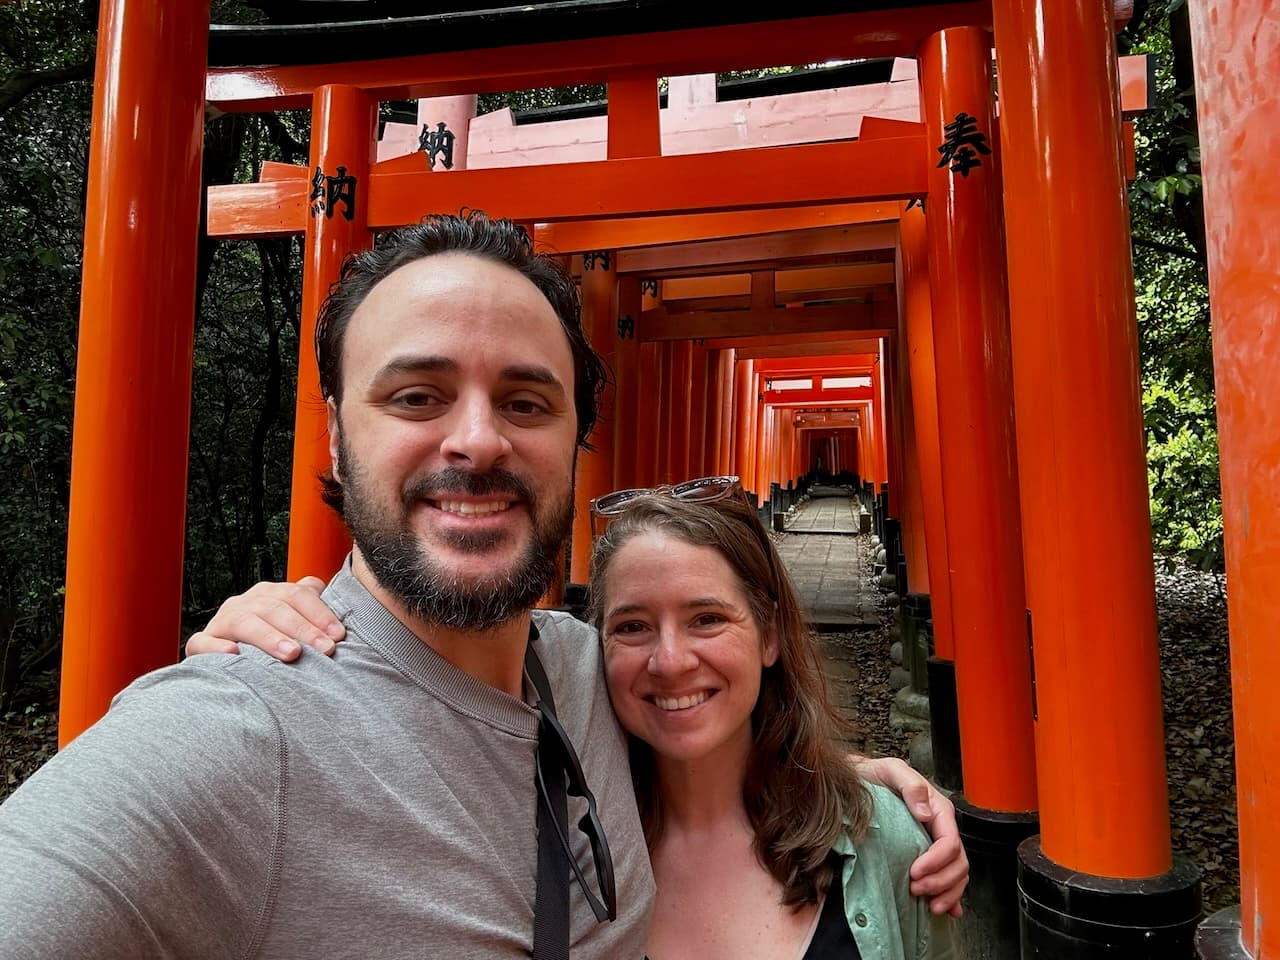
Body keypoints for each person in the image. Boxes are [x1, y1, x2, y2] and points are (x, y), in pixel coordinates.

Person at [0, 212, 963, 959]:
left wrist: (860, 793)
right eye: (416, 395)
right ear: (335, 437)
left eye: (526, 401)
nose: (477, 440)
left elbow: (703, 712)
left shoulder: (593, 669)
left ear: (574, 442)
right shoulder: (236, 737)